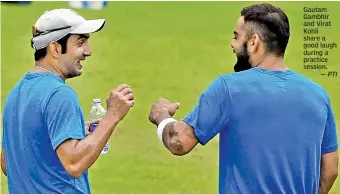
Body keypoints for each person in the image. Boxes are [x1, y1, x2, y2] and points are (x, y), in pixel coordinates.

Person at [148, 3, 338, 194]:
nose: (232, 44)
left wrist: (162, 118)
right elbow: (330, 169)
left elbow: (179, 142)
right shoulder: (319, 96)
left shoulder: (229, 88)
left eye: (237, 37)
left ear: (254, 42)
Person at [1, 9, 134, 193]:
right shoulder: (60, 94)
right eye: (80, 43)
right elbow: (74, 164)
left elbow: (8, 164)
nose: (88, 51)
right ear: (55, 48)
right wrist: (112, 115)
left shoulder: (15, 94)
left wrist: (75, 131)